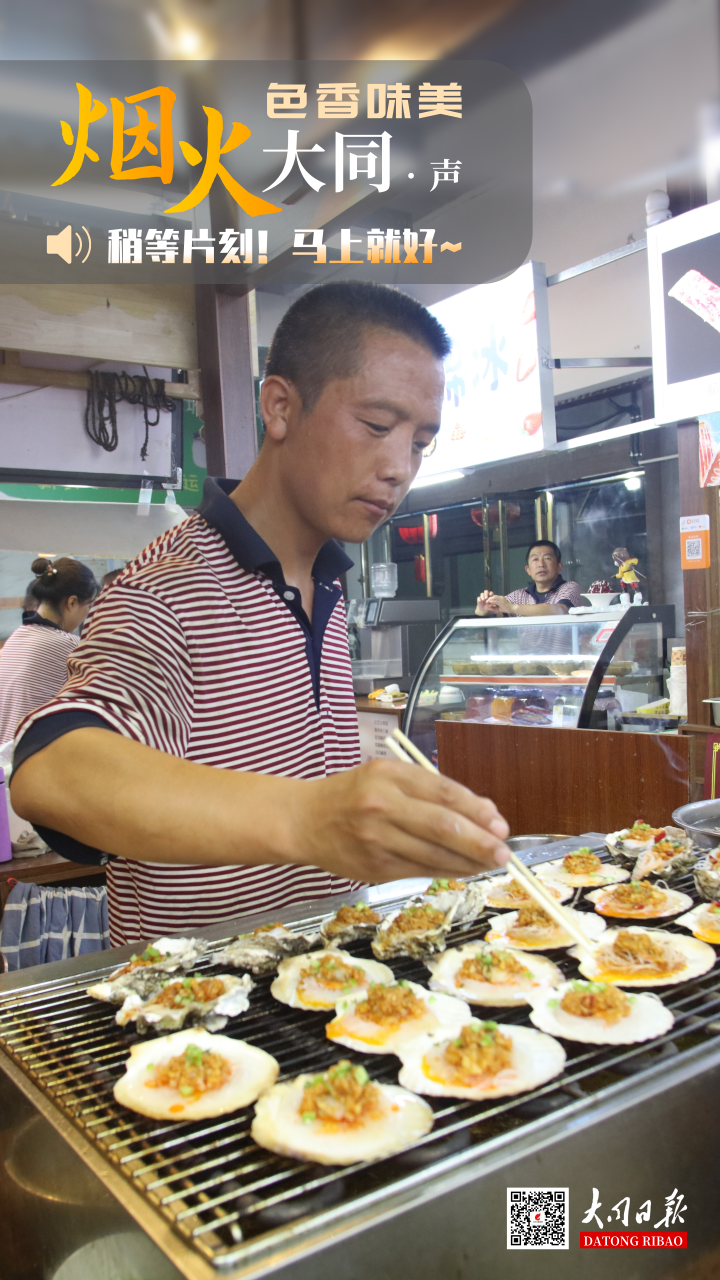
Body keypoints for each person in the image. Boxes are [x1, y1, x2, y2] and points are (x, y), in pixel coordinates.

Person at [11, 282, 510, 946]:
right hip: (195, 1015)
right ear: (279, 406)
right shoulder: (166, 589)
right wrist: (308, 818)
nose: (398, 467)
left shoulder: (328, 577)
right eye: (377, 426)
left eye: (420, 442)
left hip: (336, 986)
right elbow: (52, 771)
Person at [0, 558, 99, 744]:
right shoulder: (70, 645)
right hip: (29, 759)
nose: (88, 613)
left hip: (3, 765)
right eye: (88, 606)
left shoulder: (16, 637)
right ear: (72, 602)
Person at [476, 540, 584, 617]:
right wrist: (484, 608)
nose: (541, 564)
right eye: (535, 559)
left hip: (565, 650)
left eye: (547, 558)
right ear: (528, 570)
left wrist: (513, 608)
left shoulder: (571, 588)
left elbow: (561, 610)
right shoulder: (519, 596)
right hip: (528, 650)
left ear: (559, 566)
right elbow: (497, 613)